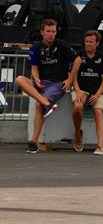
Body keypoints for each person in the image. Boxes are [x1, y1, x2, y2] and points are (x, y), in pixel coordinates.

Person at [14, 19, 80, 154]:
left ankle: (33, 142)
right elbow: (34, 68)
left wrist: (70, 79)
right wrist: (36, 79)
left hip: (56, 84)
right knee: (19, 79)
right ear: (42, 32)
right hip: (42, 83)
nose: (51, 34)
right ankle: (45, 101)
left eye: (53, 31)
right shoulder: (35, 47)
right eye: (48, 31)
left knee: (38, 106)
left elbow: (78, 60)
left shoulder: (62, 45)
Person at [71, 30, 103, 155]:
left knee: (98, 112)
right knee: (77, 107)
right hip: (81, 88)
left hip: (97, 90)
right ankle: (77, 134)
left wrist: (98, 95)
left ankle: (99, 145)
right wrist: (78, 92)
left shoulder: (102, 57)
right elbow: (73, 77)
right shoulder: (78, 55)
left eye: (91, 42)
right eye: (86, 42)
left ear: (97, 43)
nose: (88, 44)